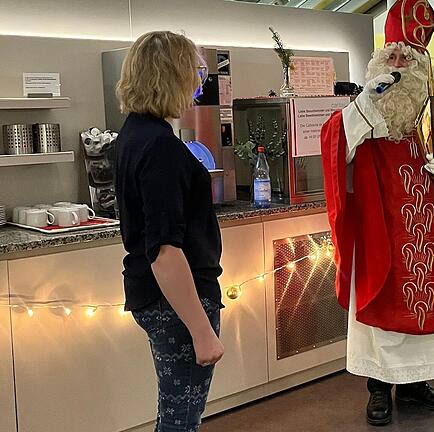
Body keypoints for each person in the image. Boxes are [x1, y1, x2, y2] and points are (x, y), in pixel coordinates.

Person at [320, 0, 434, 425]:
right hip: (379, 230)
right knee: (379, 313)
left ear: (422, 65)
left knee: (428, 307)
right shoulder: (365, 109)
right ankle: (378, 389)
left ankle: (416, 385)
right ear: (378, 61)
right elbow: (334, 142)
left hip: (428, 234)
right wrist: (361, 111)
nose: (397, 64)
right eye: (390, 56)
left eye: (405, 59)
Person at [115, 31, 224, 431]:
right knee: (181, 419)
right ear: (173, 76)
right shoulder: (160, 146)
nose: (199, 84)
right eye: (195, 74)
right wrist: (201, 331)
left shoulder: (133, 133)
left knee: (177, 412)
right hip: (176, 300)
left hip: (156, 297)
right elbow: (165, 251)